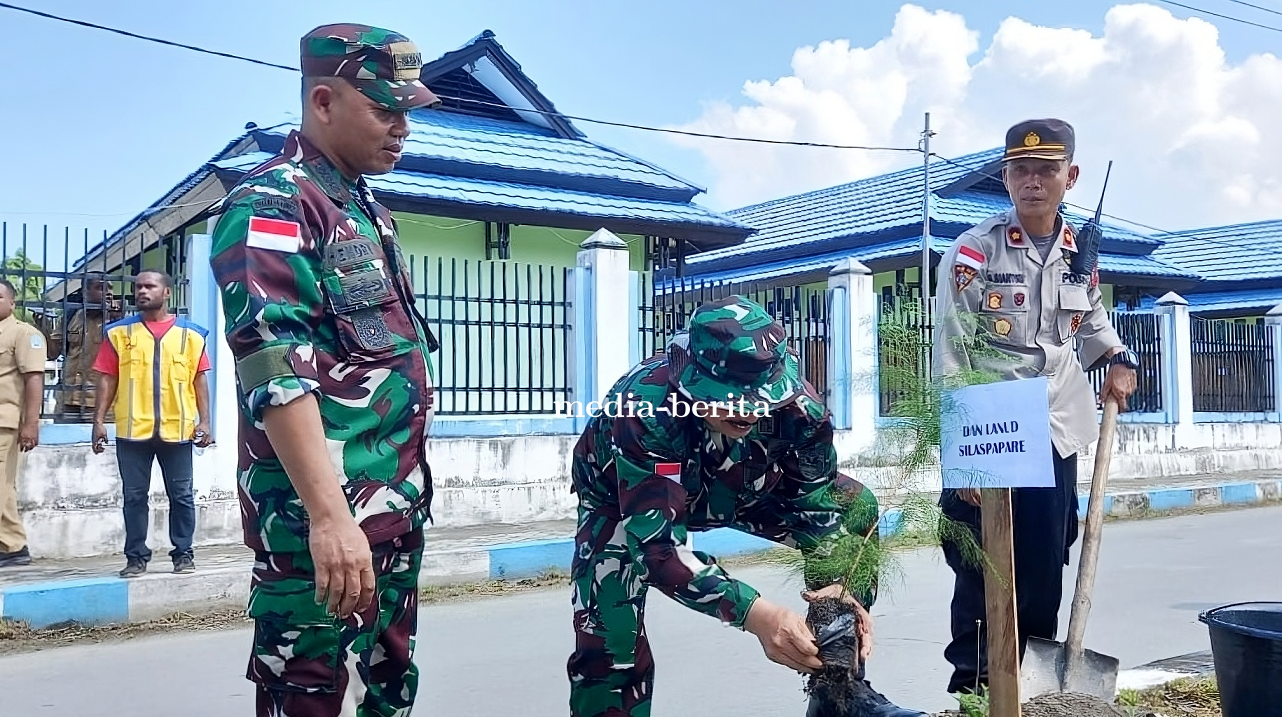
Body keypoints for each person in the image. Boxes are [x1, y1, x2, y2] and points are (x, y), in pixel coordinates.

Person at [207, 23, 442, 717]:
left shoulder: (365, 209)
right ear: (322, 101)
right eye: (384, 109)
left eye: (407, 111)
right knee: (304, 697)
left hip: (389, 513)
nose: (402, 127)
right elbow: (275, 369)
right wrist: (329, 517)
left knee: (390, 693)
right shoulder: (273, 203)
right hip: (321, 529)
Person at [566, 295, 927, 717]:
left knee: (853, 510)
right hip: (625, 501)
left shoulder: (800, 411)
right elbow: (659, 550)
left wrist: (845, 595)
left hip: (744, 485)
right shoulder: (645, 410)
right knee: (610, 642)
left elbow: (819, 507)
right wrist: (757, 615)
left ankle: (839, 693)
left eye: (759, 397)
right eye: (731, 397)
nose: (749, 410)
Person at [931, 118, 1139, 695]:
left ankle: (1035, 688)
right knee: (981, 565)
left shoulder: (1079, 252)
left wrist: (1119, 357)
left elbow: (1089, 320)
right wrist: (965, 459)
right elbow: (951, 351)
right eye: (1020, 170)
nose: (1032, 181)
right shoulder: (975, 252)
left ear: (1069, 177)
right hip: (993, 423)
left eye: (1046, 170)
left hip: (1056, 426)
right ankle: (976, 690)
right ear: (1005, 178)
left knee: (1046, 562)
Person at [92, 270, 213, 577]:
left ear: (167, 292)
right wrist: (98, 421)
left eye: (149, 286)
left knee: (182, 496)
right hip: (133, 431)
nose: (142, 291)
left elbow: (200, 381)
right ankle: (136, 557)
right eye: (138, 287)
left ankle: (183, 553)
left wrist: (207, 422)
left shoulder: (192, 335)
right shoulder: (118, 333)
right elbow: (107, 378)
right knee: (133, 496)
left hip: (178, 430)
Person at [0, 279, 47, 567]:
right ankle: (12, 545)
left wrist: (31, 424)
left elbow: (34, 379)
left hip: (4, 422)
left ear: (12, 302)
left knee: (2, 486)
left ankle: (13, 545)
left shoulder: (24, 334)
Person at [47, 273, 121, 422]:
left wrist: (117, 319)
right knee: (64, 444)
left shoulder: (119, 319)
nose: (108, 293)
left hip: (101, 402)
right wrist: (45, 329)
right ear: (85, 292)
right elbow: (52, 353)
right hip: (68, 399)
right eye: (100, 288)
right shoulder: (71, 315)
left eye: (110, 288)